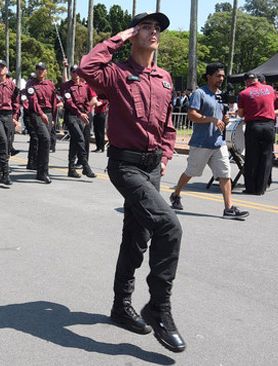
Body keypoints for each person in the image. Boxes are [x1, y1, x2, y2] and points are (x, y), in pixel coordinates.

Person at [79, 12, 186, 353]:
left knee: (136, 237)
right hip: (125, 166)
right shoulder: (116, 73)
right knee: (169, 226)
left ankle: (120, 307)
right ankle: (159, 308)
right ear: (134, 33)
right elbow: (86, 67)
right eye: (146, 27)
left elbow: (168, 126)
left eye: (157, 28)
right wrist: (121, 36)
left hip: (153, 167)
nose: (153, 32)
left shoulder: (165, 78)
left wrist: (166, 156)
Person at [169, 62, 249, 219]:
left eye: (222, 76)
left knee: (225, 173)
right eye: (218, 76)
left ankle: (229, 209)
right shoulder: (200, 93)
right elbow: (192, 115)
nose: (221, 79)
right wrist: (211, 119)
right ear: (209, 76)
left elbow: (220, 118)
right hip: (201, 142)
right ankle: (176, 194)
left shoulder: (221, 95)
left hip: (218, 143)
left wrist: (224, 119)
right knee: (192, 172)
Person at [237, 72, 278, 195]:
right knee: (266, 157)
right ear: (257, 79)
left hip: (254, 126)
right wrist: (268, 112)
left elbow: (241, 114)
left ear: (246, 82)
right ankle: (261, 188)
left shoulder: (244, 93)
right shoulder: (270, 89)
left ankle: (251, 187)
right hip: (269, 125)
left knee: (252, 157)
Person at [61, 63, 98, 178]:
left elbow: (88, 101)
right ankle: (85, 166)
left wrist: (85, 113)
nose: (75, 74)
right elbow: (69, 102)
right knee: (80, 138)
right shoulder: (66, 86)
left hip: (82, 116)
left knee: (75, 141)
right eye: (73, 72)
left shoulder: (84, 86)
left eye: (77, 72)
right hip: (71, 115)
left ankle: (71, 169)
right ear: (71, 73)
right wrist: (80, 114)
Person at [26, 62, 58, 181]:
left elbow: (54, 103)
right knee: (45, 139)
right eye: (37, 69)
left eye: (42, 69)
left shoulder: (50, 84)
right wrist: (41, 114)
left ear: (46, 71)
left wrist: (53, 118)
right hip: (37, 114)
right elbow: (33, 101)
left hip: (48, 114)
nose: (39, 71)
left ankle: (41, 170)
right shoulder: (31, 84)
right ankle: (43, 171)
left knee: (44, 142)